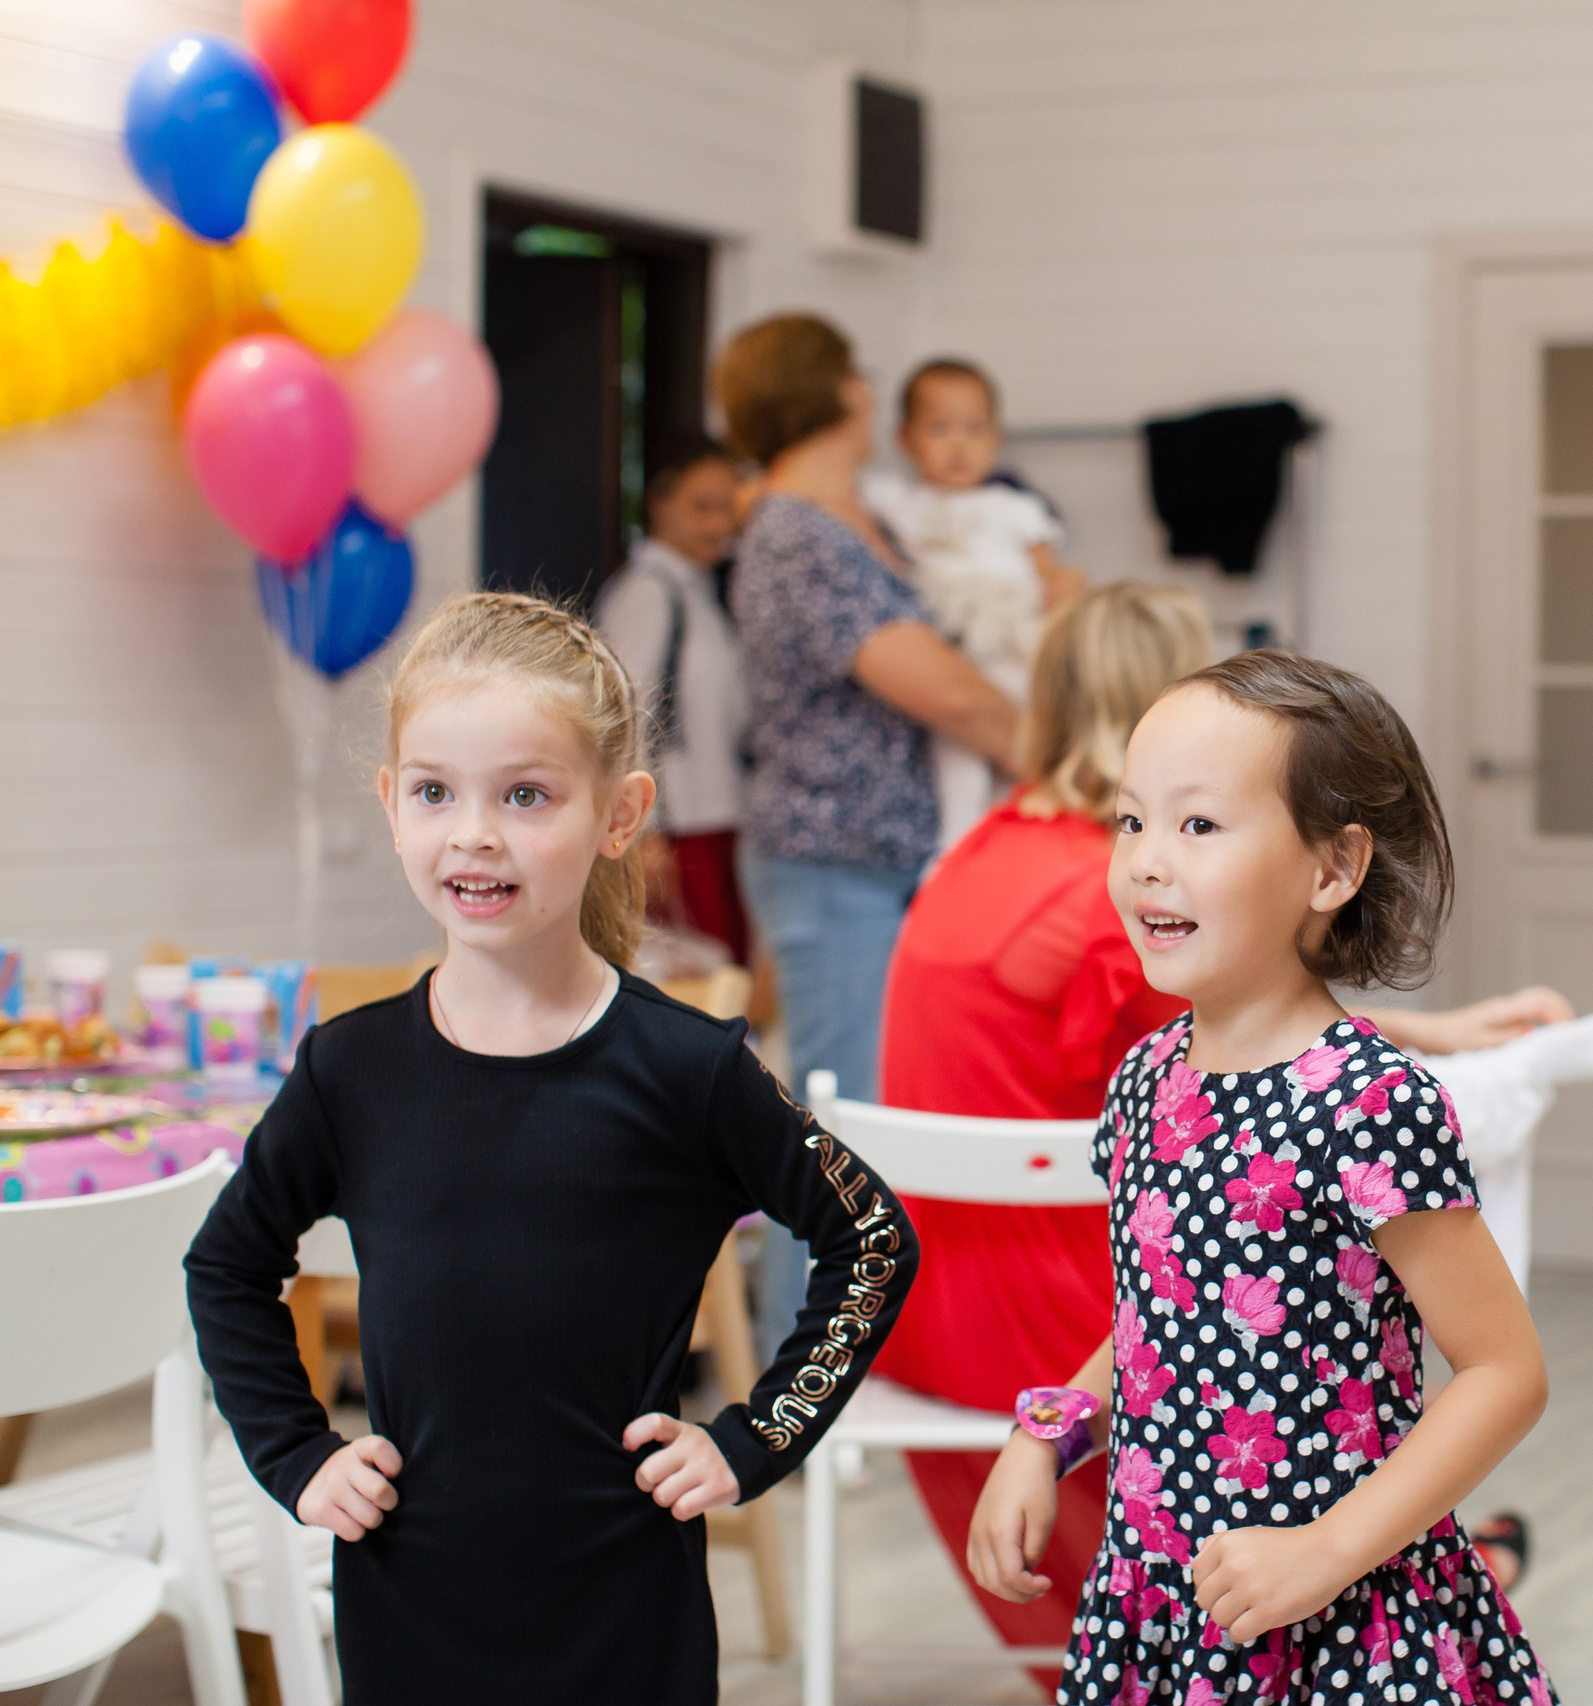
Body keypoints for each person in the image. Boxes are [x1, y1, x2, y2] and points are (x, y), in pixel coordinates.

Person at [183, 593, 920, 1704]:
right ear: (391, 806)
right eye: (435, 791)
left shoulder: (689, 1069)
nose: (474, 831)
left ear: (620, 814)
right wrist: (297, 1453)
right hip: (408, 1596)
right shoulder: (351, 1069)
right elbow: (226, 1265)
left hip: (623, 1608)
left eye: (525, 794)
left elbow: (871, 1234)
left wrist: (753, 1435)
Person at [874, 582, 1567, 1666]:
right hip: (1158, 1593)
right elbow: (1161, 1317)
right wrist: (1045, 1431)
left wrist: (1326, 1550)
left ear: (1332, 867)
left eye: (1198, 824)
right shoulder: (1149, 1077)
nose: (1148, 856)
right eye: (1132, 819)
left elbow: (1502, 1371)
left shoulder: (1368, 1098)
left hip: (1337, 1612)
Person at [717, 312, 1018, 1354]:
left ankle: (874, 1354)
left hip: (883, 860)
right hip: (831, 860)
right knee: (837, 1129)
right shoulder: (799, 529)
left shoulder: (849, 513)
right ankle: (803, 1387)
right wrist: (1057, 751)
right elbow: (935, 683)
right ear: (835, 394)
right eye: (854, 371)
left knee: (874, 1115)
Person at [865, 356, 1087, 848]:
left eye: (974, 429)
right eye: (940, 429)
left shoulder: (1015, 509)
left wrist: (1062, 616)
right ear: (905, 439)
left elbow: (1052, 578)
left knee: (1026, 749)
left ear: (995, 438)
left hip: (1011, 644)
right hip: (951, 651)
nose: (959, 444)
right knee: (956, 758)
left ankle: (1023, 843)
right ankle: (955, 852)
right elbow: (826, 501)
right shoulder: (897, 501)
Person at [593, 433, 753, 965]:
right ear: (659, 505)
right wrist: (643, 828)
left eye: (728, 509)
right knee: (697, 975)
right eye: (701, 508)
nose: (718, 525)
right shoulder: (649, 592)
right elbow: (624, 709)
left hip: (715, 815)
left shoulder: (698, 590)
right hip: (679, 825)